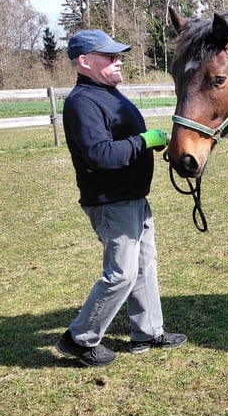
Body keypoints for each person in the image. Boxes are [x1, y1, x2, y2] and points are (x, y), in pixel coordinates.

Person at [55, 29, 186, 367]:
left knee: (144, 266)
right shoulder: (82, 102)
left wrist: (150, 142)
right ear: (85, 62)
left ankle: (148, 332)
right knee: (121, 274)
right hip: (111, 201)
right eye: (109, 57)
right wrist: (144, 141)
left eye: (118, 56)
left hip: (132, 197)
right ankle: (79, 338)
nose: (118, 61)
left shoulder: (108, 94)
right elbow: (99, 154)